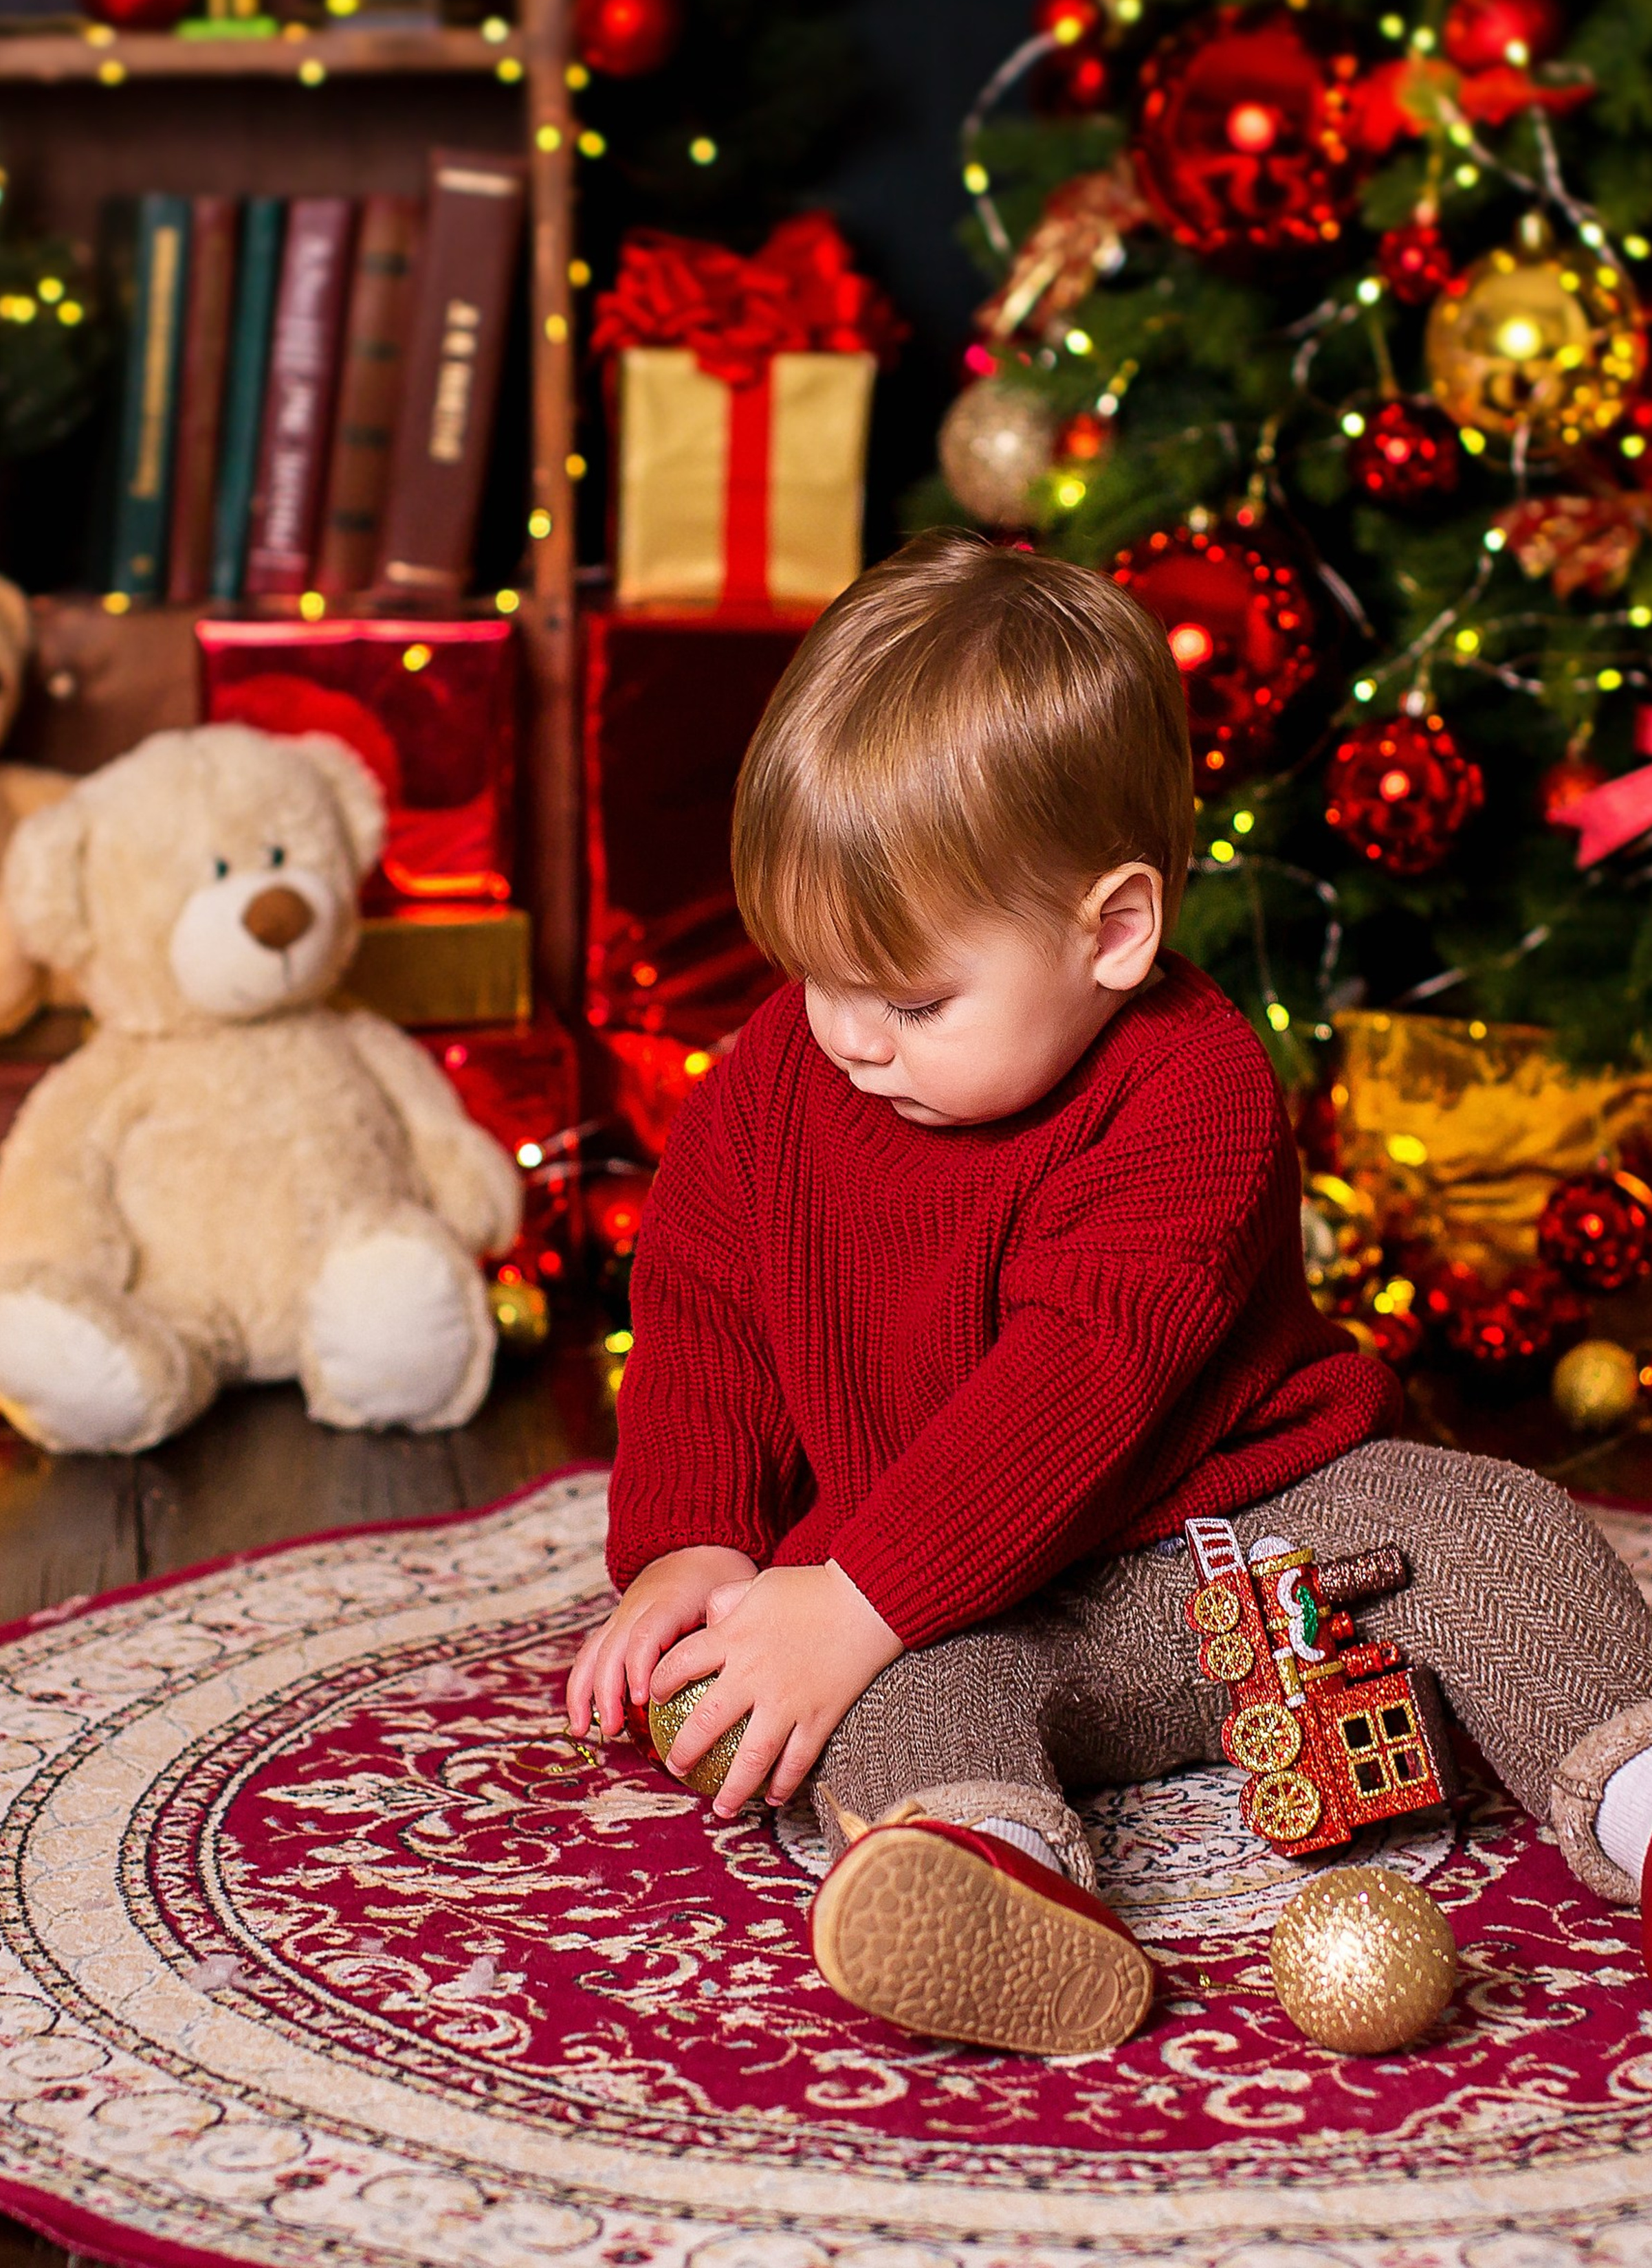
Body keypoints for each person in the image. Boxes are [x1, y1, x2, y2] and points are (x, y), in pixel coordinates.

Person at [566, 532, 1652, 2057]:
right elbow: (702, 1308)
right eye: (814, 978)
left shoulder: (1194, 1087)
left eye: (912, 999)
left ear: (1112, 933)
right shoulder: (778, 1079)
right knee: (876, 1697)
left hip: (1259, 1539)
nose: (850, 1039)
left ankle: (1634, 1791)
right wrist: (697, 1538)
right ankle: (990, 1868)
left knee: (1493, 1527)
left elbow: (1085, 1373)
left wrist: (859, 1593)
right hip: (984, 1601)